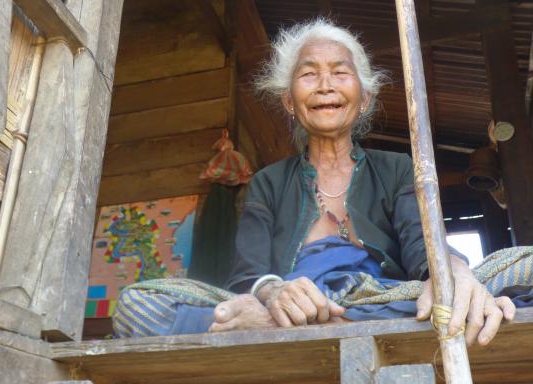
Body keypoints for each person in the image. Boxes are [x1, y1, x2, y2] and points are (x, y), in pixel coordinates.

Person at [113, 19, 531, 346]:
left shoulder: (398, 167)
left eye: (339, 72)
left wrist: (455, 274)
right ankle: (301, 322)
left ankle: (314, 324)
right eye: (309, 74)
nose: (326, 84)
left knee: (522, 267)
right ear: (289, 103)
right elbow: (249, 274)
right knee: (138, 306)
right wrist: (275, 295)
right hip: (290, 304)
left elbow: (423, 245)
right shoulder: (268, 182)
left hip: (383, 297)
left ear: (363, 98)